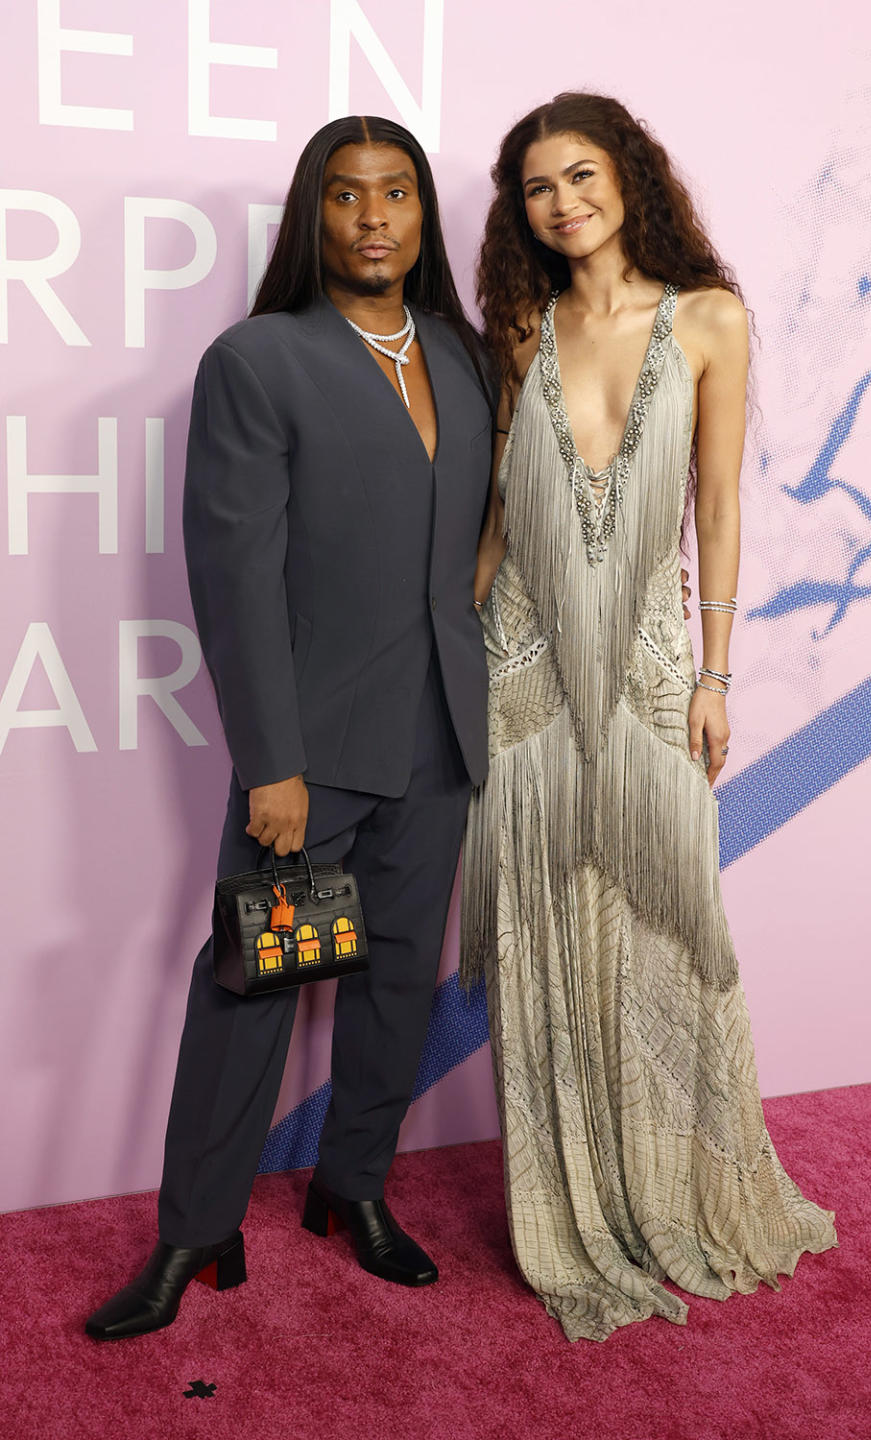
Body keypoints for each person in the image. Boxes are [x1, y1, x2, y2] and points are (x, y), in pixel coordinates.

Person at [86, 115, 494, 1340]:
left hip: (442, 744)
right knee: (253, 988)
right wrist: (272, 762)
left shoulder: (468, 358)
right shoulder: (257, 359)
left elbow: (478, 533)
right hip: (310, 758)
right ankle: (195, 1232)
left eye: (398, 194)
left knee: (396, 987)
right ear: (313, 215)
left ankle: (353, 1189)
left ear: (424, 216)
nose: (374, 217)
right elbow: (235, 578)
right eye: (347, 195)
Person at [462, 92, 838, 1343]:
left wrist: (716, 675)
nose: (561, 203)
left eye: (580, 175)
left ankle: (675, 1187)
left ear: (629, 178)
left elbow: (718, 509)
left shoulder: (711, 319)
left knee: (668, 933)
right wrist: (450, 655)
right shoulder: (522, 321)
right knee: (543, 935)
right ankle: (565, 1206)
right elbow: (506, 515)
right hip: (520, 662)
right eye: (536, 188)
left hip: (650, 664)